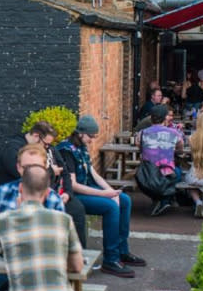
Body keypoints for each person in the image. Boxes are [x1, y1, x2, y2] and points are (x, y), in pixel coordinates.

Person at [0, 166, 123, 291]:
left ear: (20, 188)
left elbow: (1, 251)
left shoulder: (2, 222)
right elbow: (77, 266)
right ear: (48, 192)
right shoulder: (63, 220)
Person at [0, 143, 68, 291]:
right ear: (18, 168)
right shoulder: (4, 191)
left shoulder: (53, 199)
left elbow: (60, 243)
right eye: (26, 167)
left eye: (36, 167)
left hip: (37, 267)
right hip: (3, 263)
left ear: (45, 168)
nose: (29, 172)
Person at [57, 116, 144, 278]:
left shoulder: (81, 146)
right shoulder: (65, 150)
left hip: (87, 188)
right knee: (110, 206)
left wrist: (112, 191)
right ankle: (110, 259)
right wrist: (105, 195)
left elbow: (93, 173)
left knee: (124, 200)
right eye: (90, 136)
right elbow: (73, 185)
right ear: (80, 133)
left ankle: (122, 251)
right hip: (73, 196)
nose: (92, 140)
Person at [136, 104, 184, 216]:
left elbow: (140, 148)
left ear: (151, 117)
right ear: (164, 117)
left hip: (146, 174)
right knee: (178, 172)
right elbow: (180, 150)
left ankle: (159, 200)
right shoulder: (175, 133)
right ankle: (164, 200)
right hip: (167, 173)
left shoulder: (142, 133)